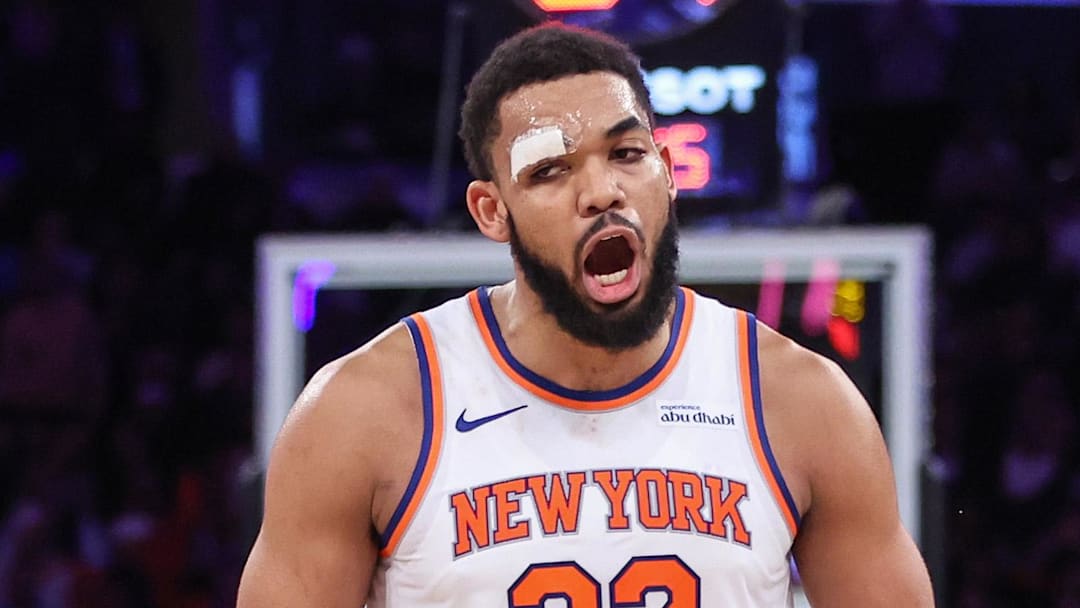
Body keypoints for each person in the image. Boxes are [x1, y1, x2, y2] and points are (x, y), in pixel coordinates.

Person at [237, 23, 935, 607]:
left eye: (627, 154)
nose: (602, 191)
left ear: (665, 169)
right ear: (490, 210)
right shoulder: (366, 411)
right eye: (550, 171)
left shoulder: (798, 402)